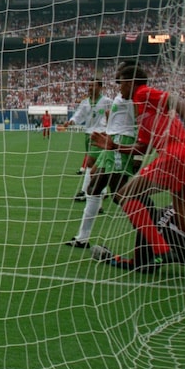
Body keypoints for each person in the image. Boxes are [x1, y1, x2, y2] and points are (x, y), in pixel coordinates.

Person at [90, 64, 185, 272]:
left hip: (174, 155)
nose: (118, 88)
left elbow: (177, 101)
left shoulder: (142, 93)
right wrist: (114, 146)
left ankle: (161, 249)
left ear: (130, 82)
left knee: (124, 196)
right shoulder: (141, 110)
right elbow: (142, 148)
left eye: (119, 83)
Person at [65, 84, 137, 249]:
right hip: (106, 140)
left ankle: (150, 226)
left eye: (122, 80)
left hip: (118, 143)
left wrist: (137, 156)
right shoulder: (116, 99)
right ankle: (82, 238)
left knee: (119, 194)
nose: (119, 85)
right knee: (94, 182)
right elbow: (85, 114)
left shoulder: (130, 99)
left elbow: (137, 124)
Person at [66, 78, 112, 201]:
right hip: (88, 134)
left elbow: (113, 114)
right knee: (96, 163)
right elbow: (79, 114)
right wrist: (72, 121)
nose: (91, 88)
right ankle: (102, 190)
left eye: (93, 85)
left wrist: (108, 128)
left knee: (91, 162)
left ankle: (86, 192)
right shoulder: (85, 102)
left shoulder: (107, 101)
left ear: (100, 87)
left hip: (99, 134)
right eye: (89, 85)